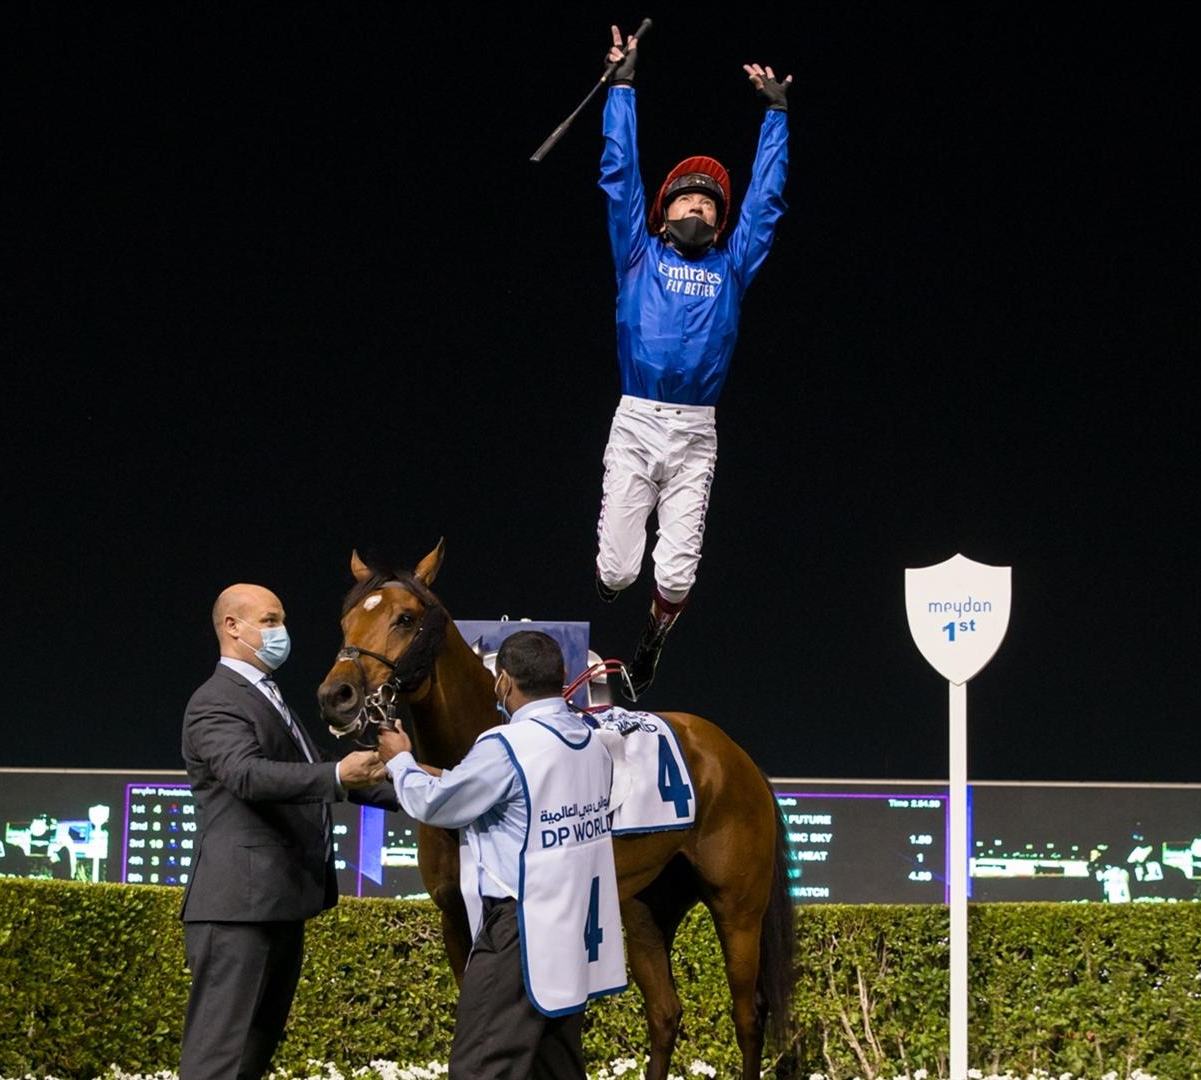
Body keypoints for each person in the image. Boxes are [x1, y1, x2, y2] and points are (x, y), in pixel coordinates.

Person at [592, 24, 793, 699]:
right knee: (617, 573)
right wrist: (622, 87)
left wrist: (776, 115)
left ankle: (652, 640)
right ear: (664, 212)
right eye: (687, 199)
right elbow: (620, 178)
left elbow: (765, 205)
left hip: (696, 431)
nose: (698, 208)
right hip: (638, 418)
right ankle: (618, 583)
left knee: (675, 577)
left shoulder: (734, 265)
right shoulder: (638, 255)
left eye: (709, 203)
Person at [377, 630, 625, 1080]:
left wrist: (399, 761)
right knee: (556, 1066)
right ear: (562, 677)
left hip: (517, 931)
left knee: (478, 1066)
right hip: (573, 929)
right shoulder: (593, 742)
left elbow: (436, 804)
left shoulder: (504, 746)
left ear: (504, 682)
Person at [179, 583, 395, 1080]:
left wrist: (426, 791)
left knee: (252, 1052)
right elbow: (247, 775)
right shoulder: (215, 700)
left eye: (281, 620)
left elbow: (323, 773)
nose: (282, 632)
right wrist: (339, 776)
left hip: (277, 904)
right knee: (218, 1059)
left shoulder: (268, 697)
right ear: (233, 627)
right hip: (238, 909)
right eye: (270, 620)